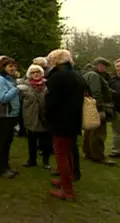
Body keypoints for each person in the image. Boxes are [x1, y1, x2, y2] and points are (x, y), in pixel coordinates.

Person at [44, 49, 86, 201]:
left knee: (61, 155)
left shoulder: (57, 77)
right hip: (74, 119)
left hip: (60, 121)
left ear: (55, 61)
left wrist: (47, 115)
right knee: (68, 152)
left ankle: (67, 191)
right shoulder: (76, 75)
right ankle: (65, 180)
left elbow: (51, 102)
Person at [0, 56, 22, 179]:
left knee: (7, 142)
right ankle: (0, 169)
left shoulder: (9, 79)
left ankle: (6, 166)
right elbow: (3, 97)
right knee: (1, 143)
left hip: (11, 114)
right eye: (10, 66)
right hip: (2, 115)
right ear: (3, 67)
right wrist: (16, 89)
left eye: (14, 66)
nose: (13, 68)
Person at [82, 57, 116, 166]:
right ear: (98, 65)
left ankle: (88, 152)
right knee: (99, 133)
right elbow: (96, 92)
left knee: (90, 130)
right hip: (96, 107)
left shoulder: (87, 74)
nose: (105, 69)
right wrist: (100, 109)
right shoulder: (94, 75)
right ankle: (98, 156)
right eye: (104, 66)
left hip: (88, 106)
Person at [17, 64, 51, 169]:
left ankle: (46, 161)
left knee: (46, 141)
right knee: (31, 140)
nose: (36, 74)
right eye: (33, 72)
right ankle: (32, 160)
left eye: (38, 72)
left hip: (45, 116)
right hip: (30, 116)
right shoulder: (24, 86)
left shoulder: (47, 85)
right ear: (29, 74)